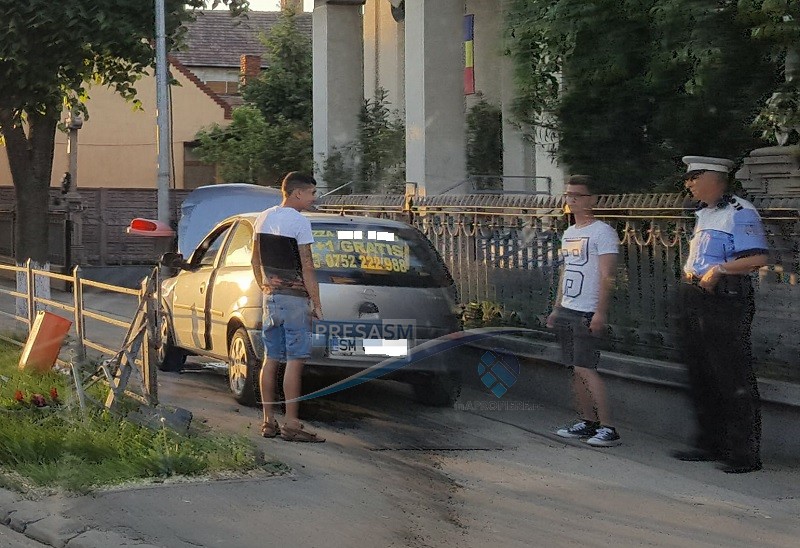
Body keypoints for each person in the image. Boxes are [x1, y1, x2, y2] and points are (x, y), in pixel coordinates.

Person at [672, 156, 768, 473]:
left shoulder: (740, 212)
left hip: (725, 297)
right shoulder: (704, 213)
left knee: (730, 374)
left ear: (715, 179)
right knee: (699, 371)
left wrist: (720, 269)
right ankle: (709, 443)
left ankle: (743, 453)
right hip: (696, 294)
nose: (689, 183)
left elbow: (756, 257)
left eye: (694, 177)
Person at [251, 172, 325, 442]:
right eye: (312, 193)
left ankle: (268, 421)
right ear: (297, 193)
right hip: (295, 299)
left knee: (271, 358)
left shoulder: (264, 217)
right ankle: (292, 423)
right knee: (295, 360)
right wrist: (316, 304)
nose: (313, 198)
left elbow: (254, 259)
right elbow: (307, 265)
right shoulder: (300, 222)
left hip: (271, 298)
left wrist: (265, 285)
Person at [548, 175, 620, 447]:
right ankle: (587, 421)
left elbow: (607, 275)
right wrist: (557, 308)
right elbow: (566, 270)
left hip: (587, 310)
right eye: (568, 195)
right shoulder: (570, 233)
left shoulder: (602, 232)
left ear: (591, 199)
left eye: (577, 195)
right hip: (568, 307)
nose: (572, 200)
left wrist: (600, 312)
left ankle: (608, 427)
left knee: (586, 367)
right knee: (574, 368)